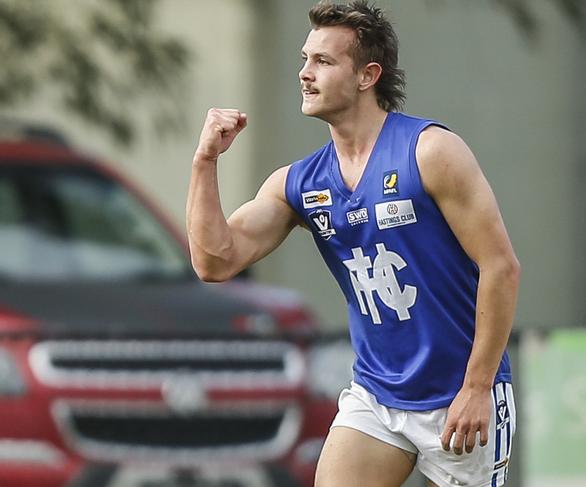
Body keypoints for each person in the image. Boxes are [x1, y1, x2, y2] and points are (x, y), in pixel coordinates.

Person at [186, 1, 520, 486]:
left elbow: (501, 268)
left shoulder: (430, 152)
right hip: (376, 396)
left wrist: (477, 387)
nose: (305, 73)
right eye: (305, 59)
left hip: (458, 396)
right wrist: (204, 161)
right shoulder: (299, 183)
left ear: (367, 76)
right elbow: (215, 261)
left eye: (323, 61)